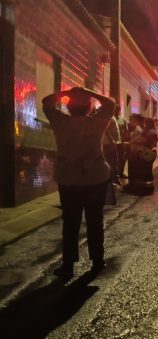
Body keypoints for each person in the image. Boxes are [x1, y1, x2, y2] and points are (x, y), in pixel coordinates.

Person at [42, 87, 115, 278]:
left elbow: (46, 102)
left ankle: (68, 265)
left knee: (70, 222)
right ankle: (97, 261)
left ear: (68, 107)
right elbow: (110, 103)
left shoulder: (60, 122)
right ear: (89, 107)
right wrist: (88, 91)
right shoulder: (97, 122)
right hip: (95, 177)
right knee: (94, 220)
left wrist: (67, 92)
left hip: (69, 178)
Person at [103, 109, 122, 184]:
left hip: (112, 143)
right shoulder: (108, 117)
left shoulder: (112, 117)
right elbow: (106, 130)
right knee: (111, 161)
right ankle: (111, 179)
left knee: (114, 161)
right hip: (109, 144)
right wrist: (111, 140)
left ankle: (113, 178)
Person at [113, 106, 130, 180]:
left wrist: (125, 140)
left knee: (122, 158)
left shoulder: (123, 120)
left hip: (121, 142)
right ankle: (114, 175)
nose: (116, 111)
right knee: (114, 159)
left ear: (119, 110)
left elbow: (126, 131)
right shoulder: (110, 119)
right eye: (115, 110)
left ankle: (120, 173)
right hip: (112, 142)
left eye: (117, 110)